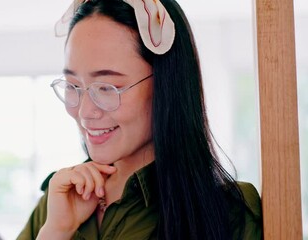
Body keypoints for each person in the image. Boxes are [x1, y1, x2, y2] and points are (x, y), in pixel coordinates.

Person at [18, 0, 262, 239]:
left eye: (107, 87)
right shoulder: (58, 203)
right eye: (72, 85)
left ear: (166, 86)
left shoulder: (230, 214)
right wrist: (57, 232)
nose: (84, 112)